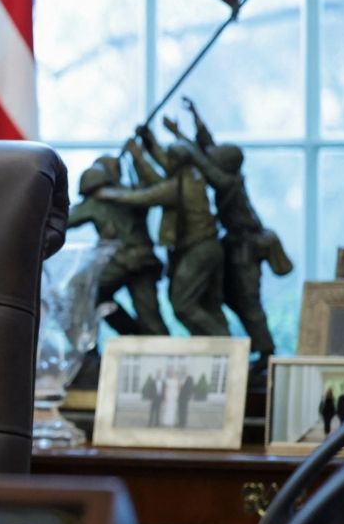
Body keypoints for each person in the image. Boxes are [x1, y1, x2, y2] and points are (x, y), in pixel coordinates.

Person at [164, 98, 293, 372]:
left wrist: (179, 137)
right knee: (234, 298)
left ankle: (266, 352)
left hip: (246, 247)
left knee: (248, 300)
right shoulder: (229, 176)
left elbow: (202, 159)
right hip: (234, 246)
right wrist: (194, 119)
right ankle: (254, 348)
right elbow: (206, 149)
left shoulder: (228, 183)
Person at [98, 125, 230, 337]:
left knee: (182, 303)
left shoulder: (178, 185)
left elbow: (145, 195)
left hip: (199, 249)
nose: (166, 159)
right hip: (202, 248)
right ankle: (216, 347)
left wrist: (111, 191)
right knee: (206, 303)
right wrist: (149, 143)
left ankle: (224, 344)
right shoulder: (189, 176)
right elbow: (161, 171)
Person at [67, 150, 169, 336]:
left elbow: (66, 221)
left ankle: (132, 339)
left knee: (85, 290)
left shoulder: (100, 201)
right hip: (144, 261)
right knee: (149, 316)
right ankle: (136, 337)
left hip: (125, 261)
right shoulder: (133, 194)